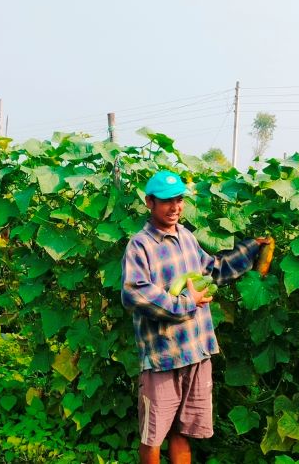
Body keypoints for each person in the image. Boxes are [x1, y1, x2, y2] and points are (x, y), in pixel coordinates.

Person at [121, 170, 270, 464]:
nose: (174, 207)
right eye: (166, 201)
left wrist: (250, 250)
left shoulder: (187, 237)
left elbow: (212, 270)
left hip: (196, 349)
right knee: (153, 436)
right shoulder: (140, 245)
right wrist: (185, 302)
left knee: (183, 431)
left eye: (179, 200)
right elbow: (134, 293)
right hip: (163, 355)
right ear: (149, 203)